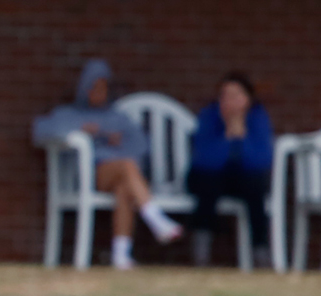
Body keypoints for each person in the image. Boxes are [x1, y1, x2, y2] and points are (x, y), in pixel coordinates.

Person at [34, 59, 182, 269]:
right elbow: (41, 131)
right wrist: (81, 130)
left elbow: (140, 146)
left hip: (122, 175)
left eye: (103, 88)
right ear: (84, 88)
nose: (99, 93)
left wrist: (117, 141)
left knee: (124, 186)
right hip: (88, 175)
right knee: (127, 167)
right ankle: (155, 217)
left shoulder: (118, 118)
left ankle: (121, 256)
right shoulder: (70, 114)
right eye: (94, 87)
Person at [187, 72, 274, 268]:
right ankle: (201, 250)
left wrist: (242, 137)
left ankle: (260, 252)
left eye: (236, 96)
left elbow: (261, 160)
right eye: (225, 96)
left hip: (243, 180)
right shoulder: (209, 116)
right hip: (208, 178)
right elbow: (203, 160)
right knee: (209, 183)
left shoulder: (258, 118)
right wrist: (227, 137)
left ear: (248, 99)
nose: (230, 102)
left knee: (255, 186)